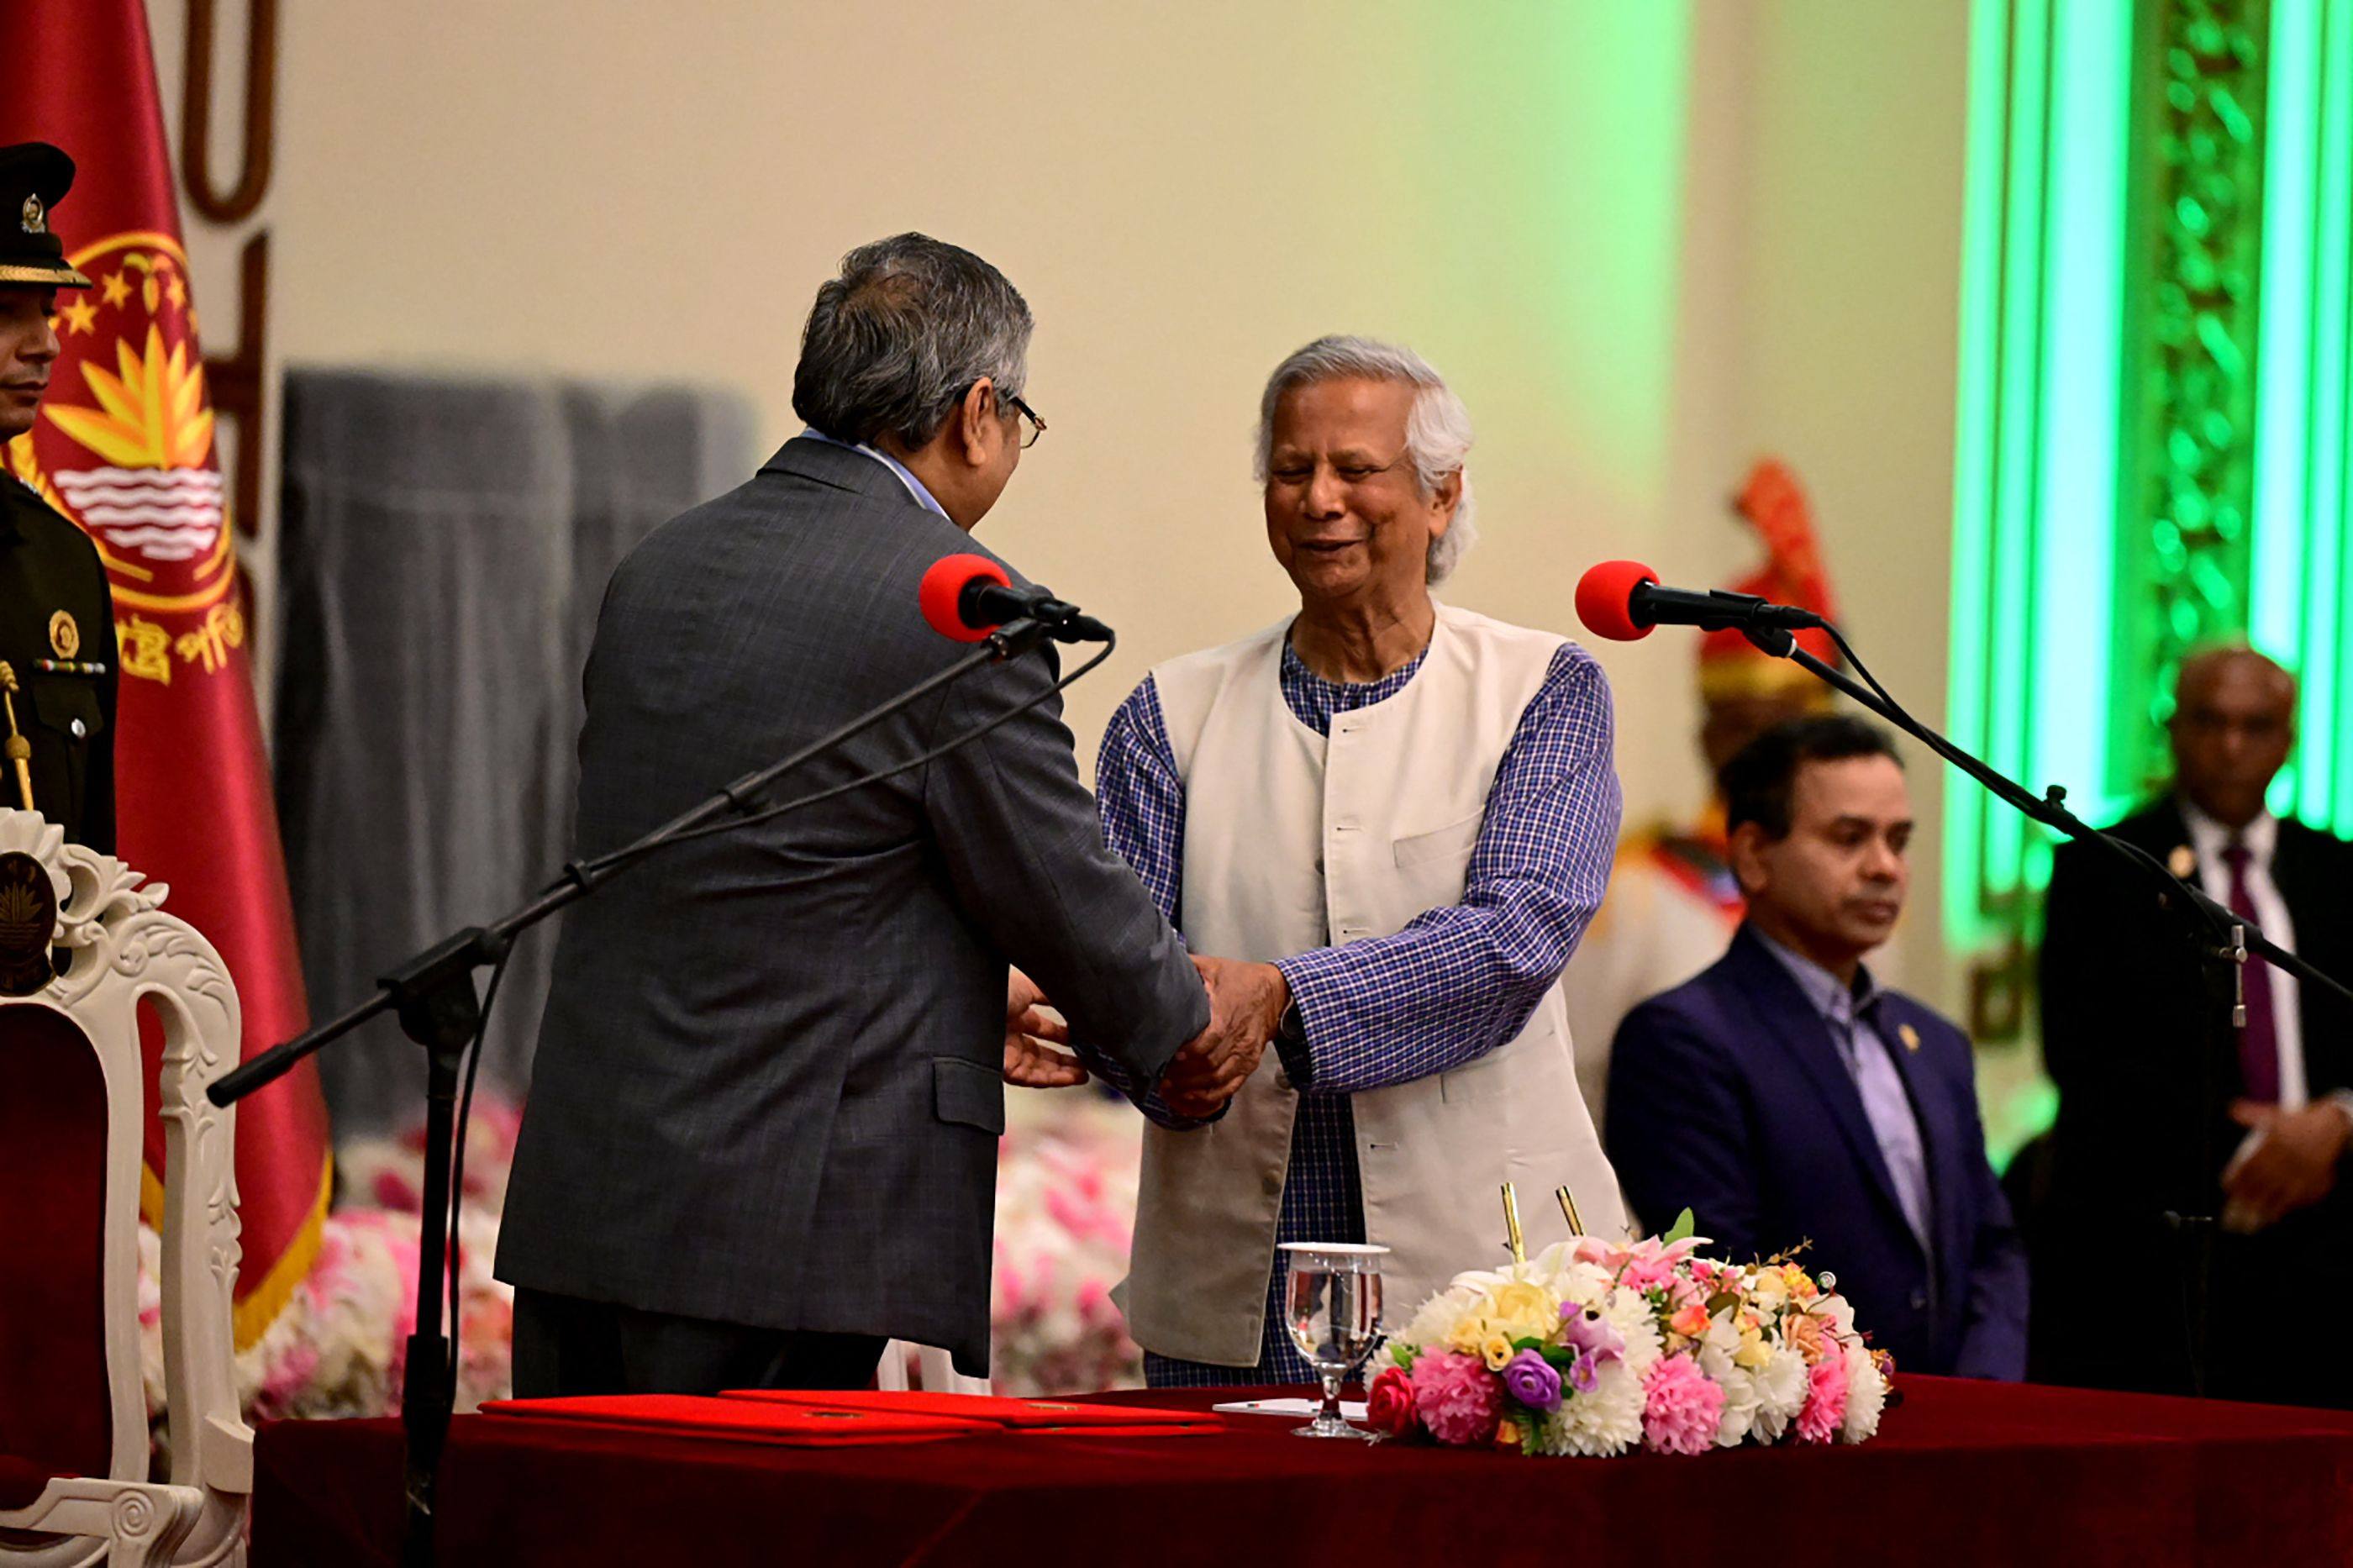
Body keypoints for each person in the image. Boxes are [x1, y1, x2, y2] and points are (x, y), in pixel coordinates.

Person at [497, 234, 1251, 1397]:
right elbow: (1057, 884)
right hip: (786, 1225)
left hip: (596, 1200)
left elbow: (758, 865)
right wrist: (1176, 1031)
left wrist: (952, 986)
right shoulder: (955, 604)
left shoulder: (663, 564)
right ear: (979, 409)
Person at [1095, 335, 1628, 1387]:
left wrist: (1280, 995)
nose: (1318, 499)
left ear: (1440, 496)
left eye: (1355, 470)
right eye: (1290, 472)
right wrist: (1122, 1032)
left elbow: (1511, 945)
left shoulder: (1542, 690)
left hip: (1490, 1294)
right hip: (1228, 1299)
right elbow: (1123, 964)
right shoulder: (1168, 715)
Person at [1608, 716, 2027, 1379]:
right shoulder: (1684, 1038)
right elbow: (1725, 1280)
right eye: (1849, 838)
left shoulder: (1937, 1044)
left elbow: (1993, 1249)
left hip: (1960, 1429)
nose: (1885, 867)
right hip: (1804, 1438)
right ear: (1752, 856)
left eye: (1898, 840)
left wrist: (1983, 1391)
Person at [2035, 646, 2353, 1405]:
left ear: (2290, 740)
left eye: (2257, 725)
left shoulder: (2341, 875)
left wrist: (2338, 1123)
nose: (2232, 746)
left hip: (2331, 1244)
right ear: (2174, 730)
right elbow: (2082, 1058)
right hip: (2162, 1250)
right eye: (2211, 722)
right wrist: (2261, 1149)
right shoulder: (2103, 868)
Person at [1563, 459, 1840, 1130]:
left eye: (1799, 728)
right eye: (1746, 726)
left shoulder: (1852, 883)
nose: (1778, 754)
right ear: (1711, 738)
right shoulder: (1639, 893)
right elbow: (1570, 1082)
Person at [0, 142, 115, 852]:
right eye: (8, 312)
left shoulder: (62, 566)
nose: (45, 344)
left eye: (46, 311)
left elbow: (94, 878)